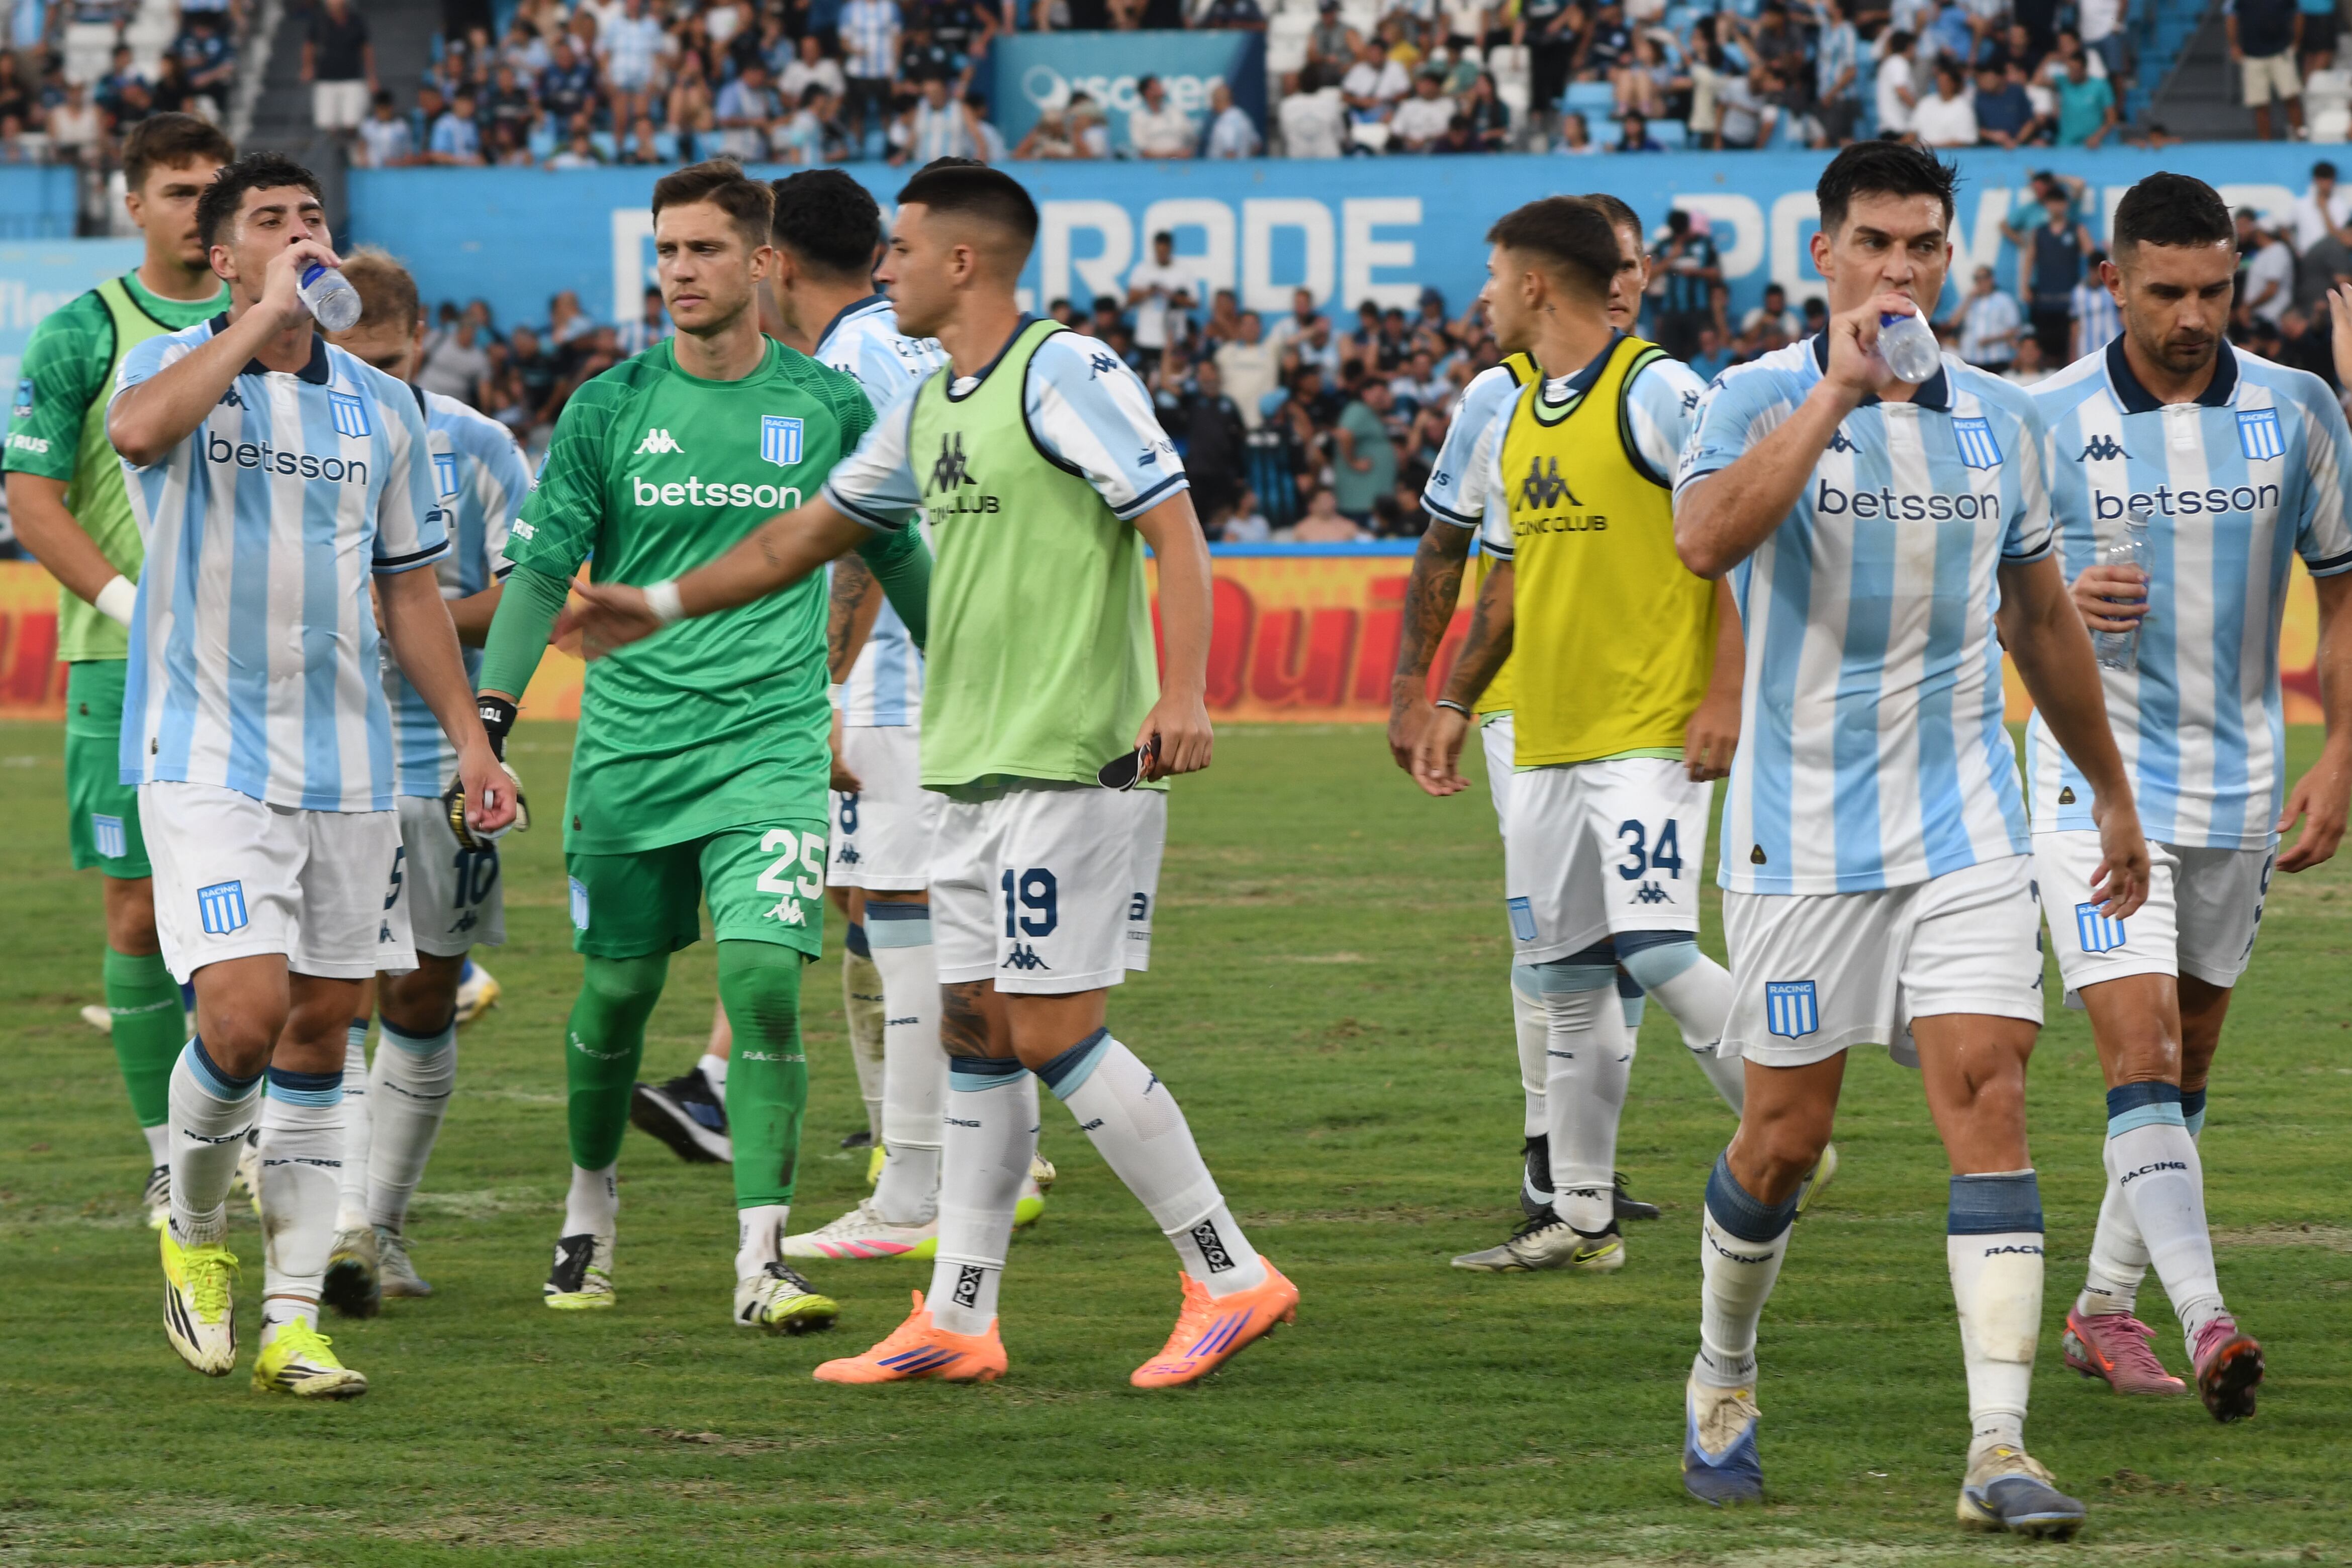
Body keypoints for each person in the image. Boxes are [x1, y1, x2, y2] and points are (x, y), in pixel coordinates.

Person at [558, 162, 1300, 1389]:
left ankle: (1227, 1271)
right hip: (963, 764)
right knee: (973, 1032)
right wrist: (658, 600)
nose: (881, 267)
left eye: (902, 248)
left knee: (1054, 1029)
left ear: (964, 261)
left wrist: (1182, 692)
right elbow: (807, 536)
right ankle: (959, 1312)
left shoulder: (1063, 369)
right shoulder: (926, 405)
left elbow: (1171, 522)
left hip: (1071, 755)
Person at [1668, 142, 2149, 1534]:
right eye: (1873, 243)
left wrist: (2106, 794)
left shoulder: (2000, 421)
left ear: (1952, 257)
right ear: (1820, 254)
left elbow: (2042, 622)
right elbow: (1703, 541)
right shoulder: (1750, 395)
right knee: (1777, 1140)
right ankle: (1721, 1373)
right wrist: (1835, 390)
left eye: (1923, 246)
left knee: (1987, 1095)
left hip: (1965, 830)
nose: (1898, 269)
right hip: (1797, 843)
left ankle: (1995, 1449)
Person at [468, 162, 930, 1332]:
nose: (680, 271)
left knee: (765, 982)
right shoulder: (609, 406)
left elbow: (892, 550)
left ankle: (760, 1259)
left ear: (762, 261)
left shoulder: (826, 407)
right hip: (630, 752)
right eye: (667, 251)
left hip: (769, 745)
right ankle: (588, 1209)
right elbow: (538, 575)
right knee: (618, 993)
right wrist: (491, 722)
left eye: (705, 250)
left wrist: (971, 675)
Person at [107, 151, 516, 1399]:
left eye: (315, 220)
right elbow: (136, 434)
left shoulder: (384, 413)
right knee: (238, 1013)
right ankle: (191, 1223)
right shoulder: (171, 372)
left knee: (322, 1029)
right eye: (271, 224)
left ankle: (294, 1319)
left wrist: (470, 737)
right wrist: (257, 323)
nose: (302, 237)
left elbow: (411, 594)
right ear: (223, 256)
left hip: (344, 764)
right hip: (207, 753)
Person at [2032, 173, 2352, 1422]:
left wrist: (2340, 753)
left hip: (2239, 779)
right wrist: (2053, 592)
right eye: (2164, 290)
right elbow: (1967, 595)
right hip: (2088, 776)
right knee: (2141, 1050)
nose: (2192, 314)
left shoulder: (2296, 408)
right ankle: (2208, 1317)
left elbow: (2341, 593)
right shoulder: (2040, 414)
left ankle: (2102, 1303)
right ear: (2112, 282)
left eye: (2213, 289)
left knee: (2190, 1058)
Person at [1415, 193, 1766, 1276]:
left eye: (1489, 277)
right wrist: (1451, 701)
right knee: (1564, 975)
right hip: (1550, 736)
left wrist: (1721, 697)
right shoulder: (1516, 411)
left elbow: (1736, 541)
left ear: (1531, 285)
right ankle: (1577, 1217)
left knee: (1652, 946)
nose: (1476, 298)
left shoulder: (1658, 391)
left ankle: (1782, 1125)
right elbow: (1511, 582)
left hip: (1645, 732)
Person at [1, 115, 232, 1231]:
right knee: (138, 914)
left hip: (265, 677)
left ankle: (271, 1135)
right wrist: (130, 606)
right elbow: (33, 498)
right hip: (121, 669)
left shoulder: (272, 324)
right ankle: (166, 1156)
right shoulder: (80, 333)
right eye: (180, 189)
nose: (200, 208)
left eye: (214, 189)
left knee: (268, 926)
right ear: (130, 202)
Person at [317, 249, 533, 1311]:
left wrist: (412, 625)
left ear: (417, 344)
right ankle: (325, 1222)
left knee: (420, 989)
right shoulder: (288, 430)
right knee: (316, 991)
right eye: (348, 359)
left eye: (390, 361)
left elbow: (531, 584)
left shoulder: (477, 445)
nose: (370, 379)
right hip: (312, 756)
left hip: (437, 759)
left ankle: (376, 1227)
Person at [2226, 0, 2304, 140]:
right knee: (2260, 103)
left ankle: (2300, 137)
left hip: (2281, 52)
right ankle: (2265, 144)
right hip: (2252, 55)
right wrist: (2233, 45)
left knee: (2291, 97)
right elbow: (2231, 16)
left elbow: (2298, 13)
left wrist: (2296, 42)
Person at [304, 0, 374, 137]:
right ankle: (333, 155)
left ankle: (352, 154)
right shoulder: (319, 21)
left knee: (353, 121)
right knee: (327, 124)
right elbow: (309, 45)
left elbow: (366, 48)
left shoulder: (356, 20)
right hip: (326, 79)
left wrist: (371, 76)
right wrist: (308, 67)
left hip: (352, 78)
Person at [1954, 263, 2021, 371]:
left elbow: (2014, 330)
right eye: (1977, 279)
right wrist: (1969, 299)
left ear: (1991, 279)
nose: (1980, 282)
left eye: (1984, 278)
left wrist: (1991, 340)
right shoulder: (1969, 301)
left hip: (1996, 358)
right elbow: (1954, 323)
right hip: (1970, 358)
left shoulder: (2004, 300)